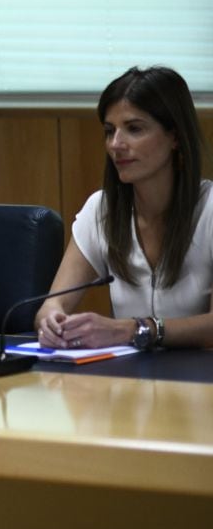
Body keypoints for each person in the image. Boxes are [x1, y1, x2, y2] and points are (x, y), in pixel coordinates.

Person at [36, 66, 212, 351]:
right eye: (109, 131)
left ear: (175, 137)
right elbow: (53, 304)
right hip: (129, 381)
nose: (116, 144)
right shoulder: (100, 210)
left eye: (134, 129)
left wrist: (135, 329)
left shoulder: (209, 209)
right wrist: (52, 322)